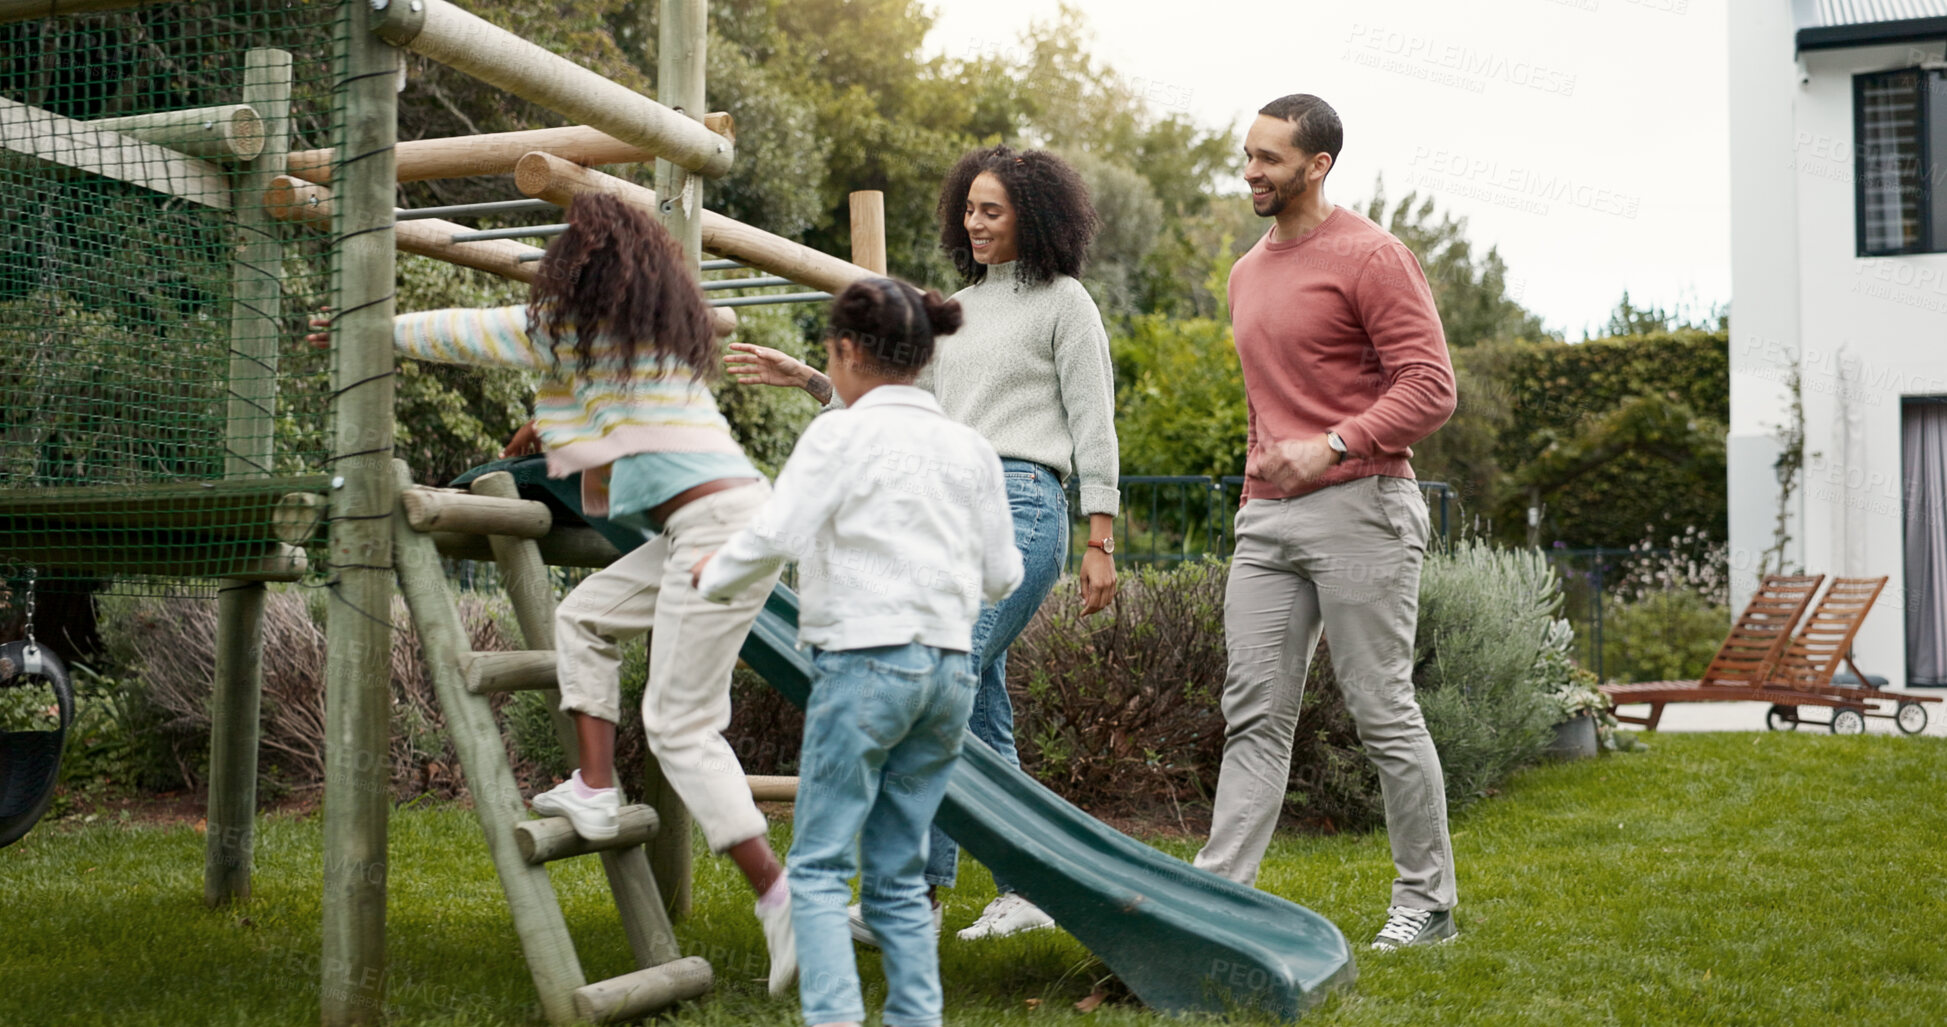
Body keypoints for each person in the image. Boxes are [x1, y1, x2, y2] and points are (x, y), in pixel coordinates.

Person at [316, 192, 798, 994]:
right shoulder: (655, 335)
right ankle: (599, 791)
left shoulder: (566, 327)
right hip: (724, 520)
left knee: (680, 728)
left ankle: (781, 902)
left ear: (577, 267)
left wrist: (364, 327)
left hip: (717, 528)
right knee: (584, 616)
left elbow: (462, 333)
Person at [725, 145, 1119, 942]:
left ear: (1031, 217)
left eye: (991, 210)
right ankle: (1026, 885)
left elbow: (1092, 419)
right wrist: (809, 378)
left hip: (1027, 504)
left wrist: (1099, 536)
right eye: (968, 208)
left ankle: (912, 900)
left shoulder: (1063, 302)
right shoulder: (957, 310)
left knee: (937, 678)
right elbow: (896, 405)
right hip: (957, 510)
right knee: (976, 708)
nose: (973, 223)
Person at [693, 277, 1022, 1027]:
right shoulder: (969, 446)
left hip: (866, 663)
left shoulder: (839, 433)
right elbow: (1002, 573)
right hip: (946, 674)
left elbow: (777, 533)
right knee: (899, 871)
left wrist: (713, 573)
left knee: (816, 865)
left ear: (844, 351)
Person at [1194, 94, 1461, 951]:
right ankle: (1218, 897)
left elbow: (1430, 387)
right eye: (1246, 155)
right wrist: (1255, 491)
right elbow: (1263, 406)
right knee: (1254, 713)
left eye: (1268, 158)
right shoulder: (1245, 271)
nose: (1250, 172)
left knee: (1380, 707)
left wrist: (1333, 445)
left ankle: (1427, 902)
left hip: (1363, 505)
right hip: (1266, 522)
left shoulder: (1373, 255)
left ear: (1318, 165)